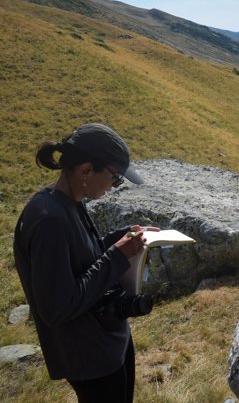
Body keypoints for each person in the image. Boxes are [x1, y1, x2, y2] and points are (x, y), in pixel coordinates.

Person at [13, 122, 159, 403]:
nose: (115, 186)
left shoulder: (68, 202)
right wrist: (117, 255)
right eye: (115, 177)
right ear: (86, 170)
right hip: (89, 357)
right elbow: (57, 307)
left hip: (105, 342)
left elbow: (81, 259)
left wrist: (121, 239)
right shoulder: (49, 221)